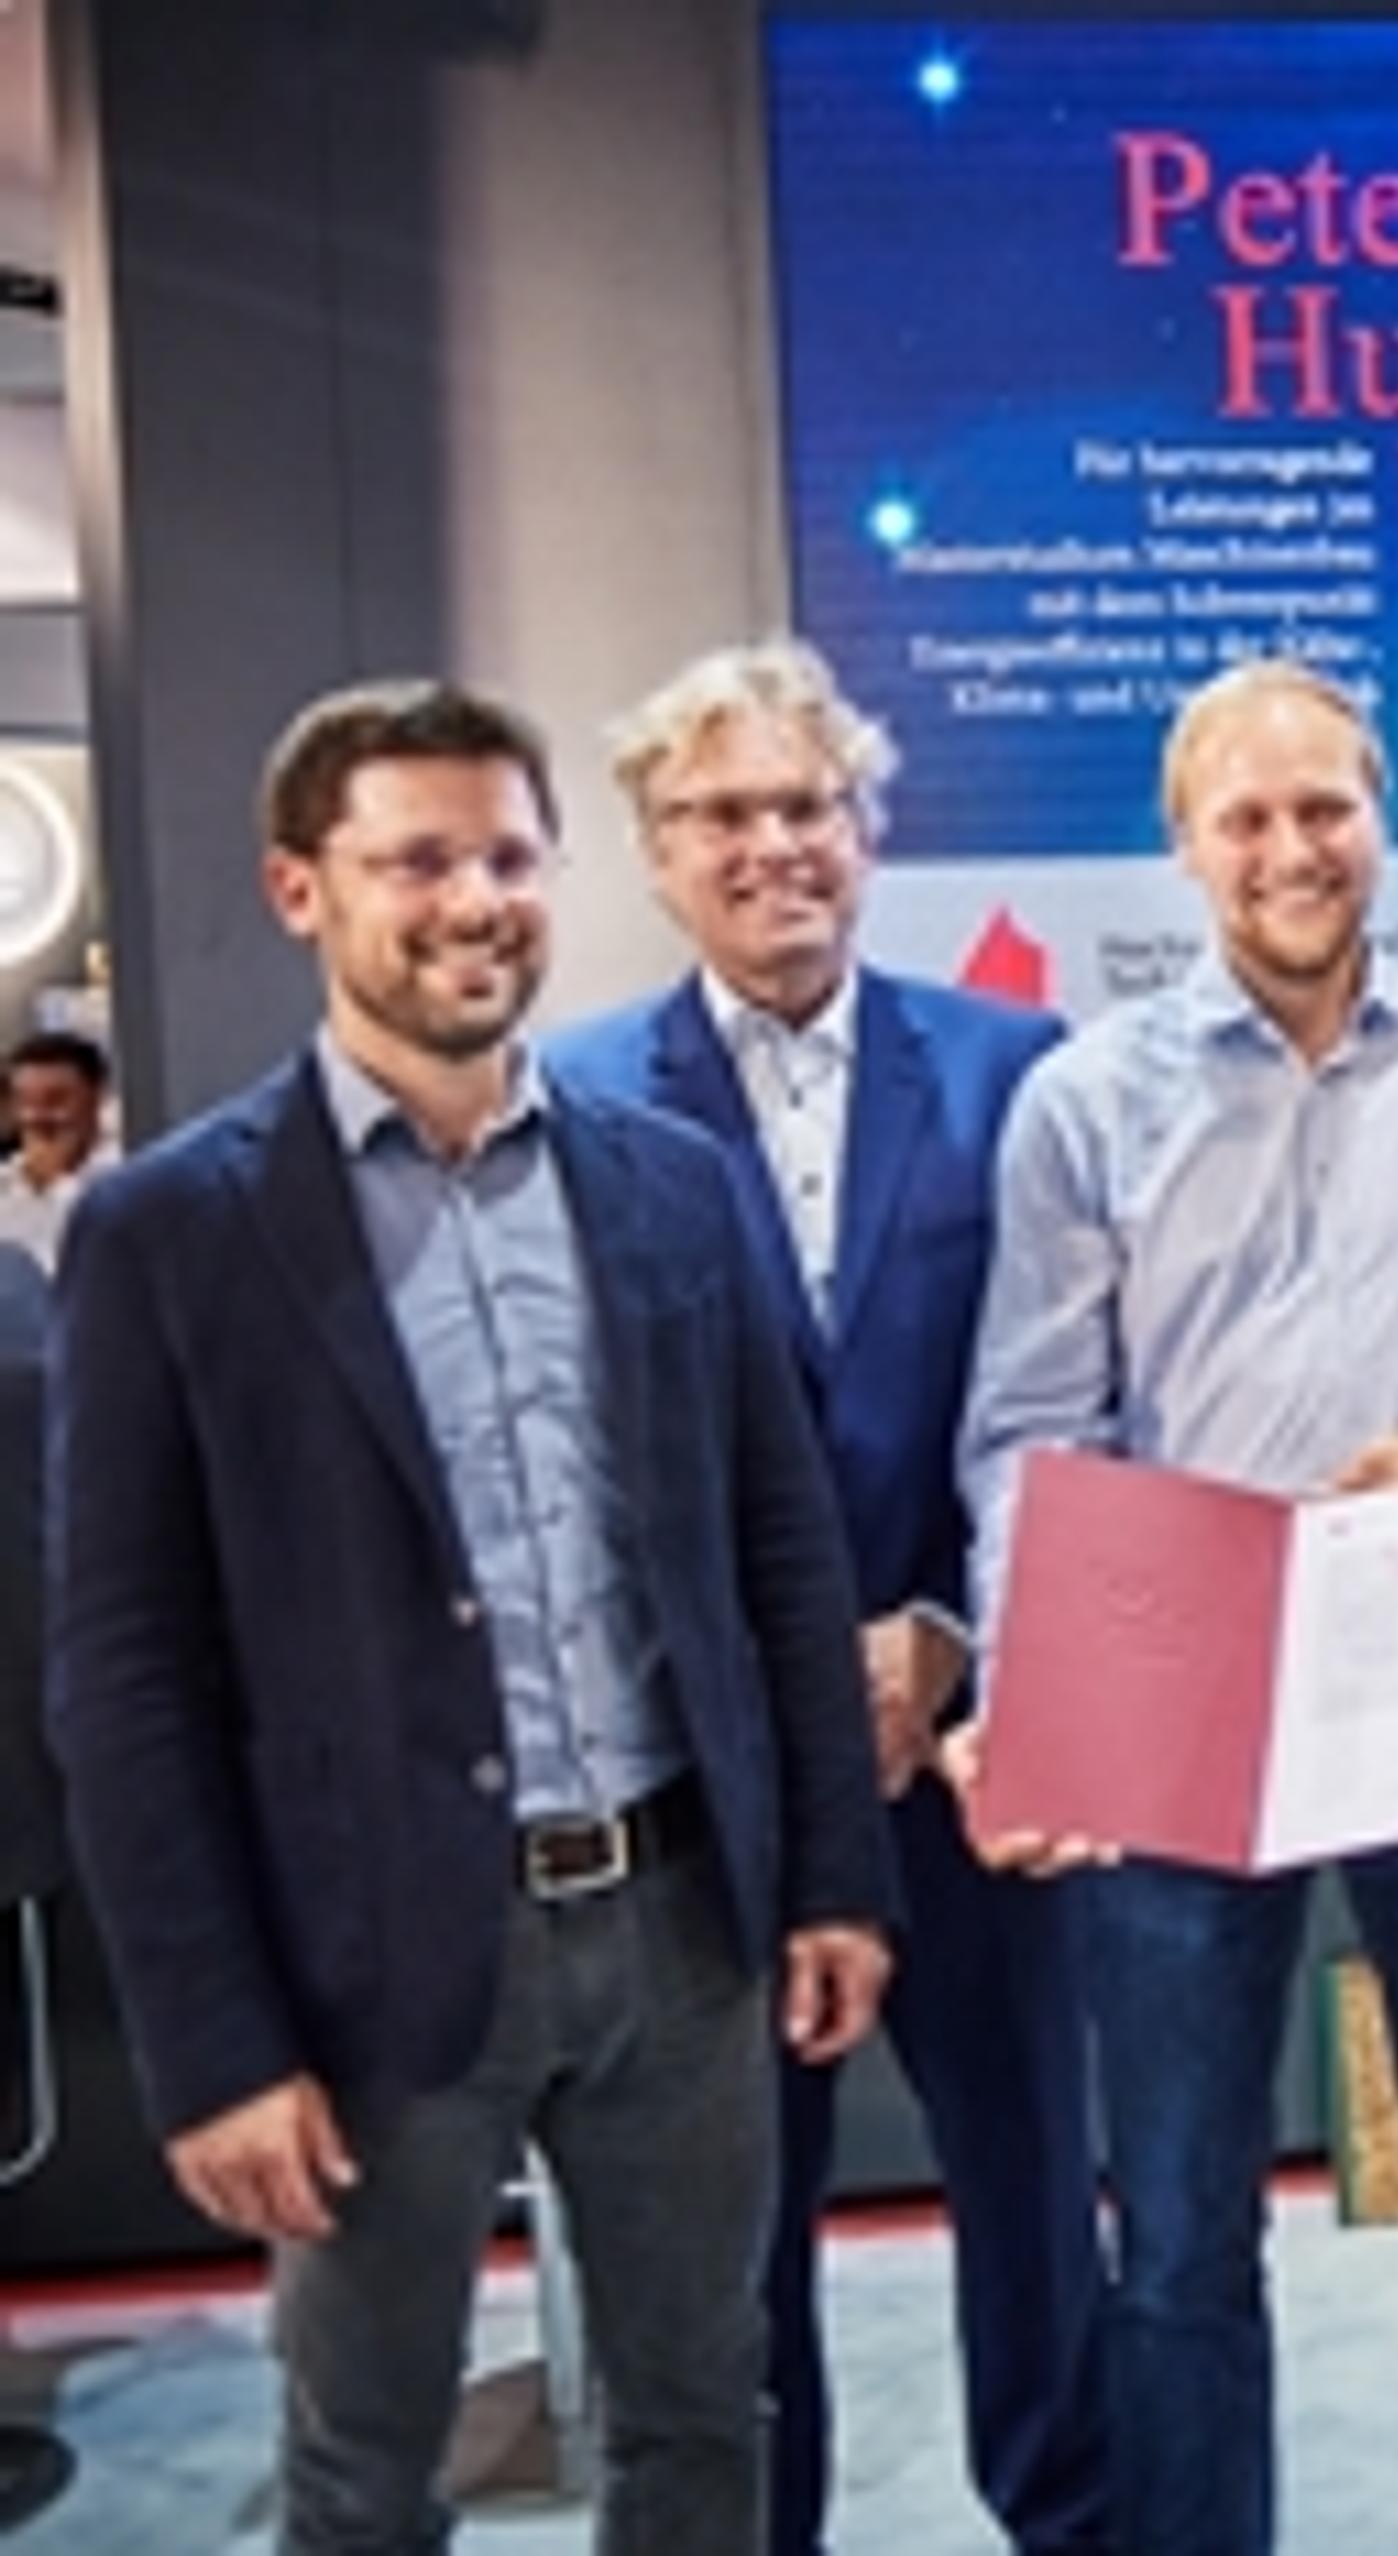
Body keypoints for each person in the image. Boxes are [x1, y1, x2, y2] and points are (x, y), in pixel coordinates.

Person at [45, 677, 895, 2548]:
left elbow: (781, 1552)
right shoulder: (171, 1231)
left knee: (704, 2415)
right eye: (416, 860)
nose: (473, 901)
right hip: (370, 1953)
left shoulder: (671, 1186)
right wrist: (212, 2042)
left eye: (509, 857)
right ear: (300, 889)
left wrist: (833, 1873)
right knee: (365, 2467)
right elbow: (122, 1674)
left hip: (682, 1925)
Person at [955, 657, 1398, 2555]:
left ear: (1384, 815)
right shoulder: (1084, 1101)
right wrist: (1043, 1701)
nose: (1292, 849)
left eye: (1326, 808)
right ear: (1182, 843)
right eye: (1248, 817)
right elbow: (1031, 1427)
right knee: (1178, 2211)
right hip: (1178, 1682)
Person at [551, 639, 1107, 2555]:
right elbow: (585, 1456)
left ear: (869, 830)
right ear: (654, 849)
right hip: (720, 1786)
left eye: (806, 804)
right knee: (728, 2255)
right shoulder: (573, 1100)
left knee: (1039, 2208)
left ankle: (1070, 2522)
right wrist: (779, 1675)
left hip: (972, 1749)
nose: (770, 843)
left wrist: (949, 1626)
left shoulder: (1019, 1068)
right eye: (719, 812)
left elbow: (1069, 1392)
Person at [0, 1029, 110, 1270]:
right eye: (25, 1102)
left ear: (96, 1098)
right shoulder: (5, 1184)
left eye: (55, 1100)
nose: (36, 1117)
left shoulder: (124, 1180)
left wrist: (59, 1181)